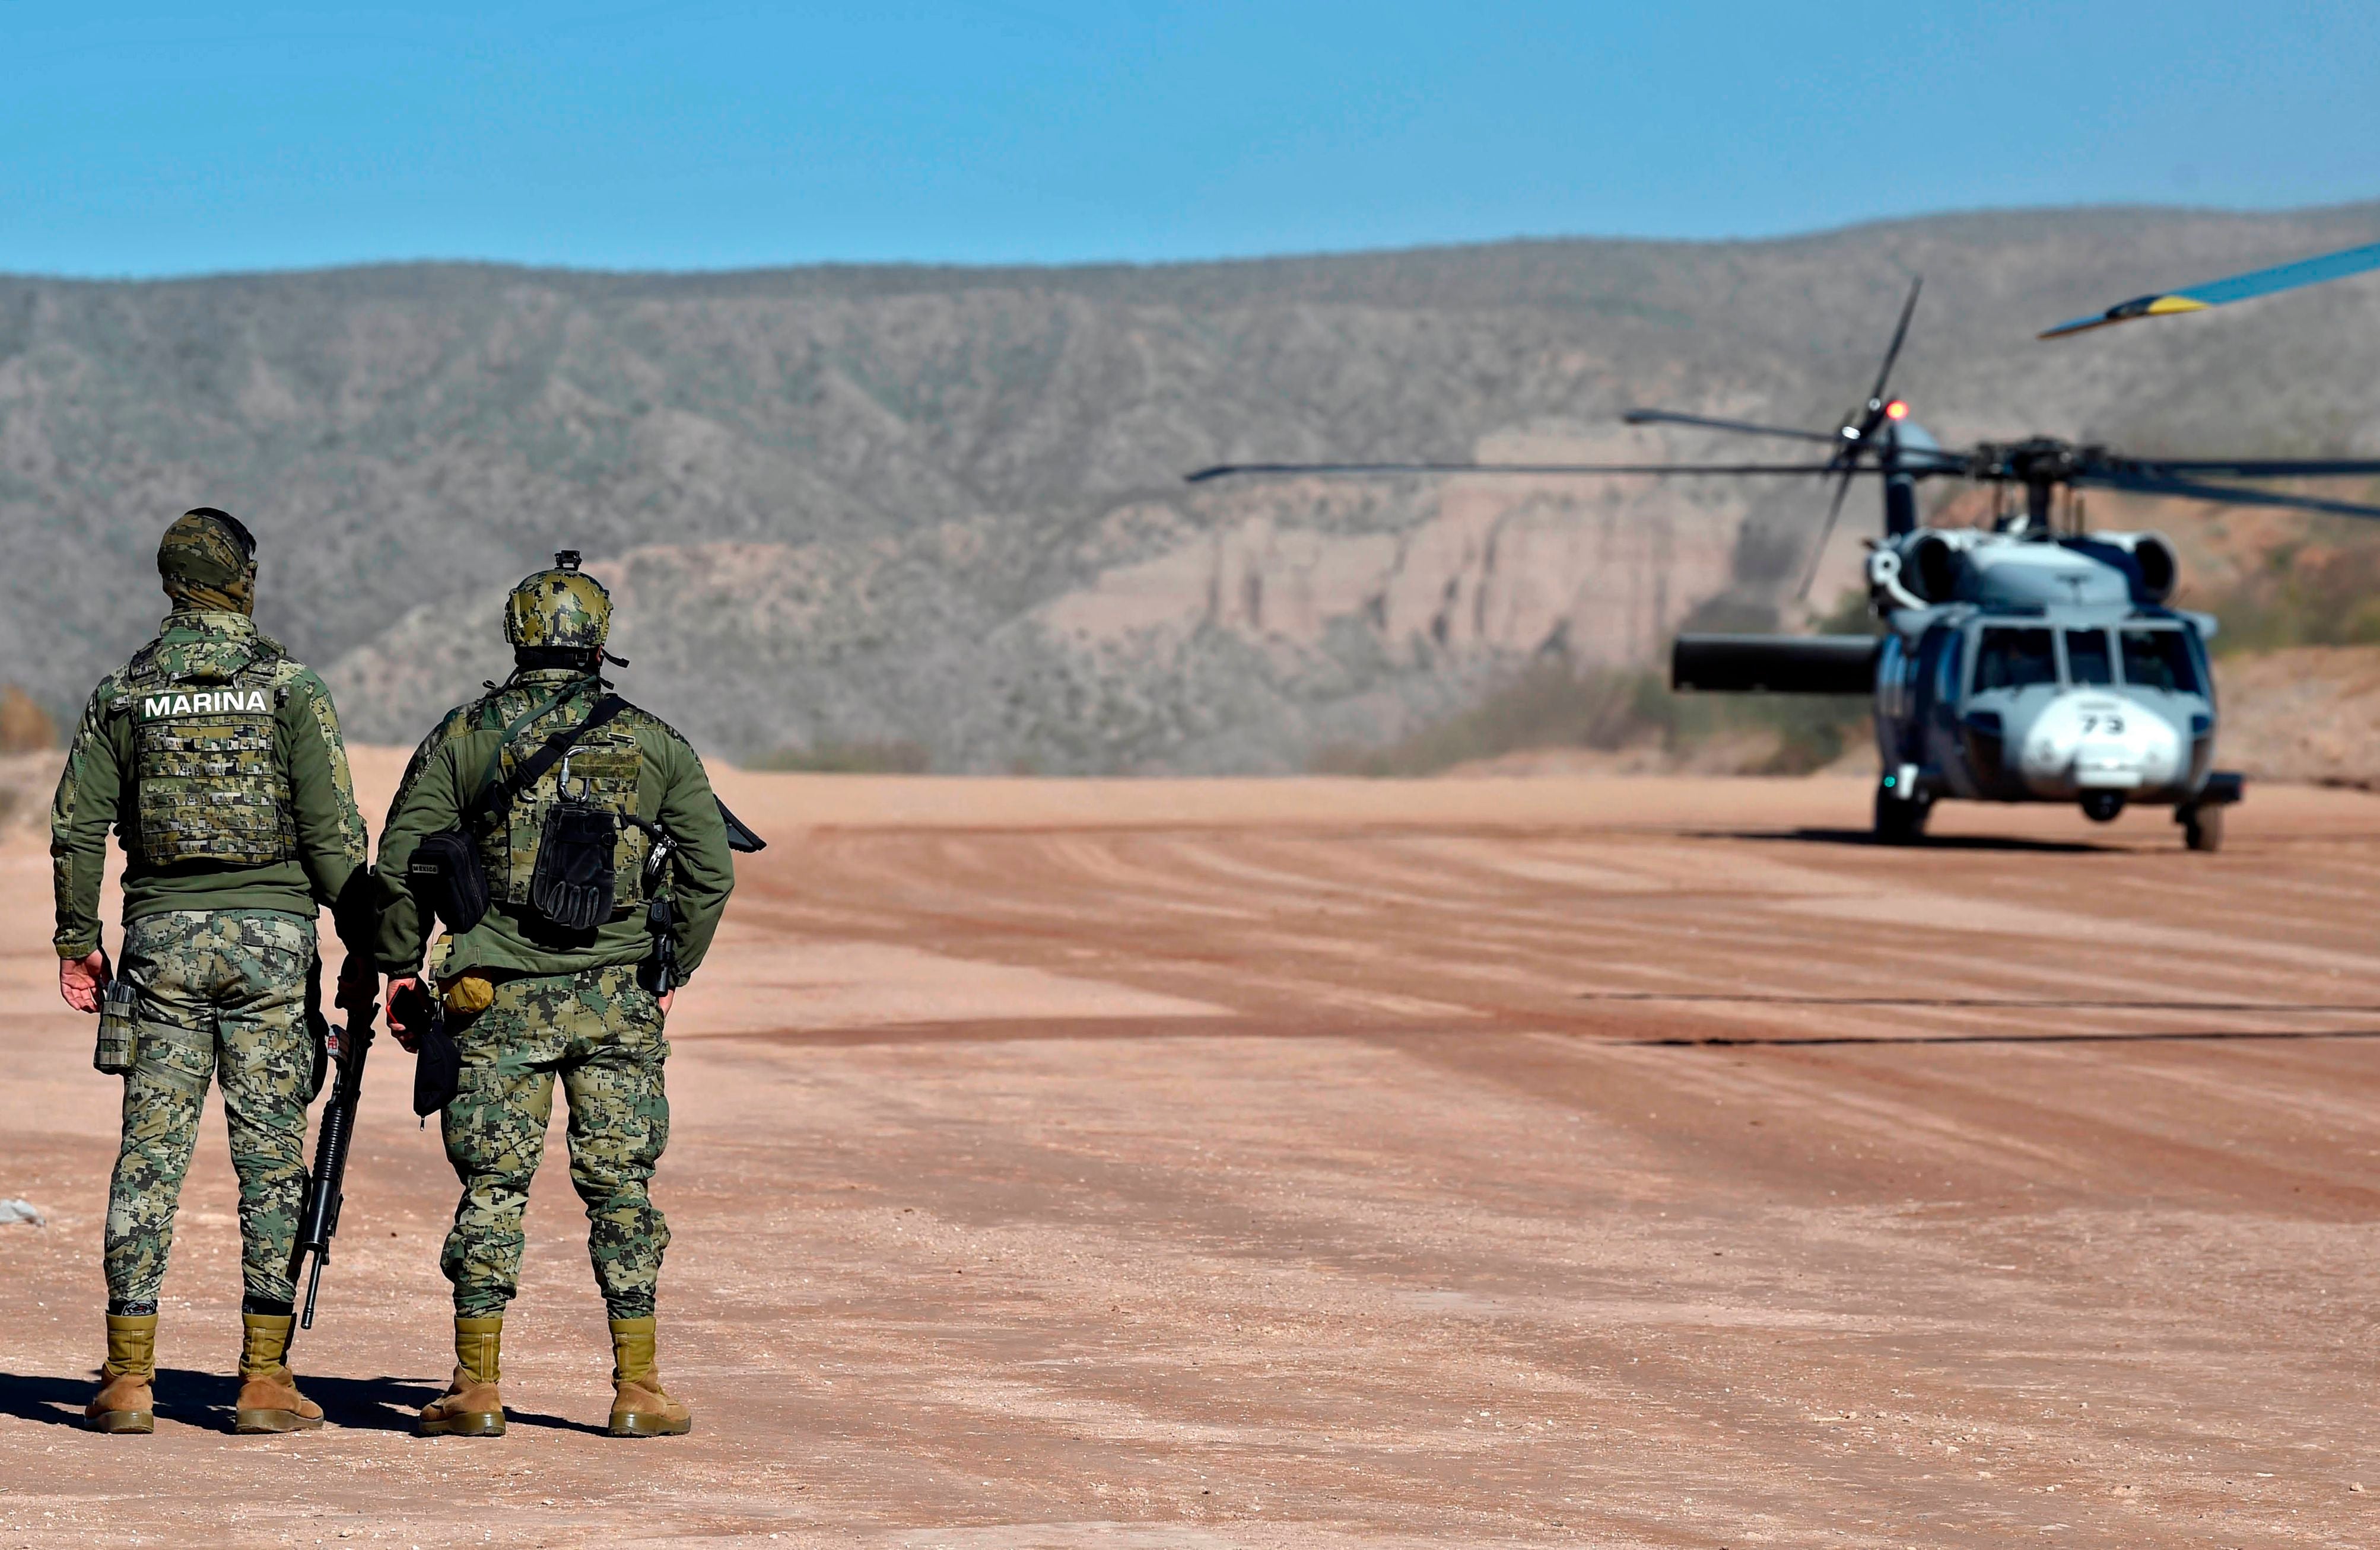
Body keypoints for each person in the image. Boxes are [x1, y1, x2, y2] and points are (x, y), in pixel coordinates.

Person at [373, 551, 734, 1438]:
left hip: (494, 1001)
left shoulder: (468, 732)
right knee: (623, 1191)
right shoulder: (654, 741)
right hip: (617, 1006)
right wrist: (668, 971)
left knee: (494, 1188)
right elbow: (711, 872)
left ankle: (474, 1388)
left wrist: (400, 965)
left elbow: (399, 861)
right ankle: (639, 1390)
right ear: (600, 639)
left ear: (518, 634)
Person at [50, 508, 377, 1434]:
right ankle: (266, 1380)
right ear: (241, 577)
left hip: (161, 944)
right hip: (274, 946)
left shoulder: (124, 691)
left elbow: (75, 827)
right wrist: (371, 951)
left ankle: (125, 1379)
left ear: (170, 582)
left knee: (149, 1159)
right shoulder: (289, 689)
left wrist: (78, 940)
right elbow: (332, 838)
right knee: (272, 1162)